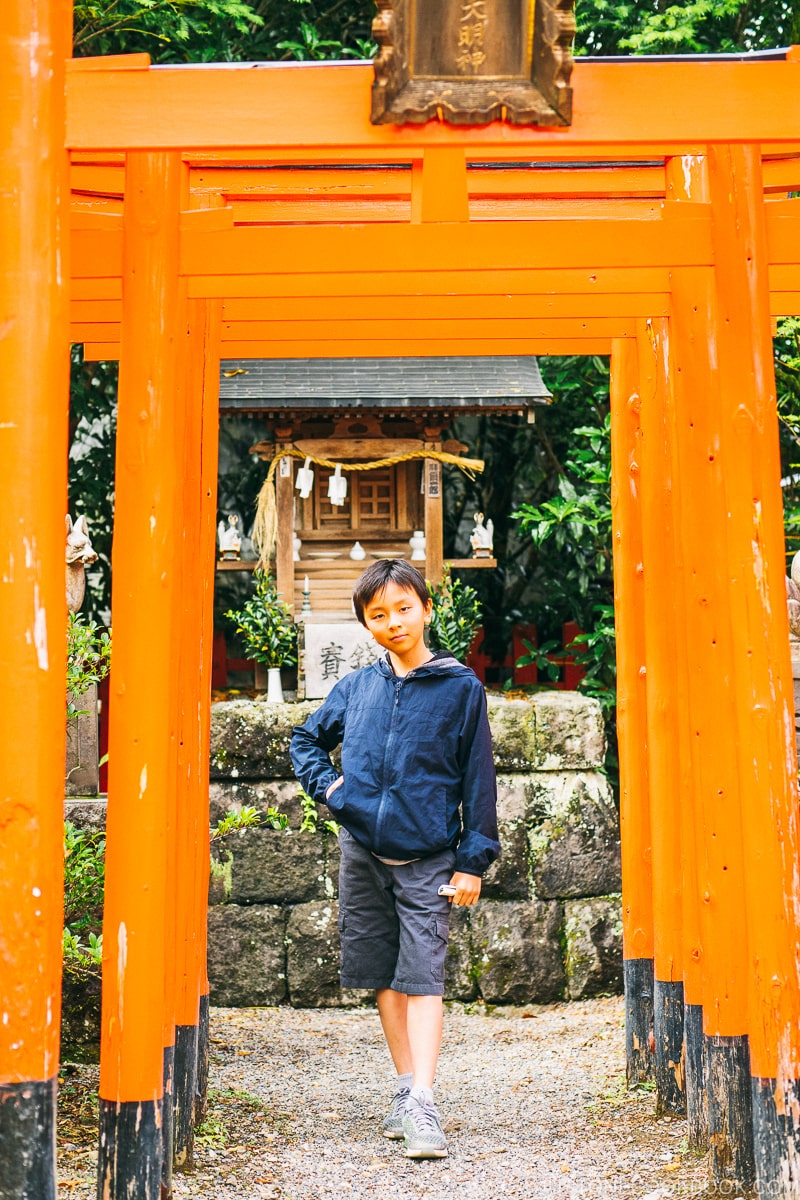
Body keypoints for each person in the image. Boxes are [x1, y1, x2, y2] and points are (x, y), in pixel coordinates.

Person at [290, 559, 499, 1161]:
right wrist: (330, 790)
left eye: (404, 608)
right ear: (365, 624)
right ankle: (407, 1087)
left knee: (423, 975)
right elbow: (306, 739)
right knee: (383, 974)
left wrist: (472, 861)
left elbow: (477, 780)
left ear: (426, 609)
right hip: (363, 850)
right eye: (377, 615)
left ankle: (426, 1102)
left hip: (430, 858)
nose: (393, 622)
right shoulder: (357, 687)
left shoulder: (460, 689)